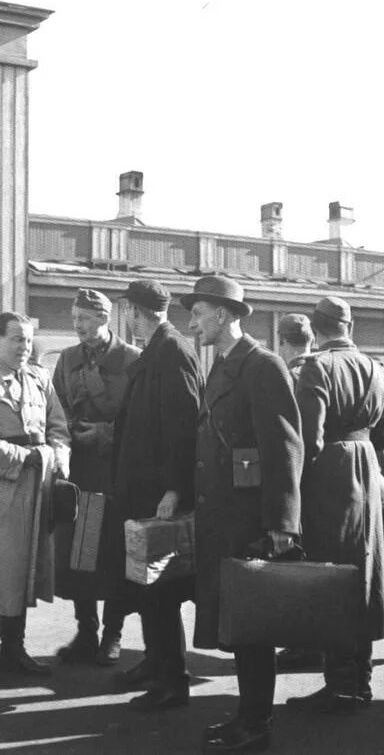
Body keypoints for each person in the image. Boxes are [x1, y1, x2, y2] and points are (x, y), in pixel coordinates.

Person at [182, 276, 303, 754]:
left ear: (225, 316)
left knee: (253, 627)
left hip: (250, 521)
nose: (191, 322)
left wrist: (280, 526)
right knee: (238, 625)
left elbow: (285, 449)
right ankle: (248, 715)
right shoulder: (224, 365)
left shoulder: (262, 365)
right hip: (223, 515)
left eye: (199, 312)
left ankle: (256, 721)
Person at [0, 312, 71, 689]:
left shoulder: (39, 379)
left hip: (36, 489)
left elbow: (58, 427)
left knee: (23, 571)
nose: (24, 348)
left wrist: (58, 459)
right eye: (17, 340)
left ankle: (14, 651)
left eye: (28, 341)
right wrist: (25, 458)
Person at [286, 296, 384, 713]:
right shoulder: (375, 368)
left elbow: (309, 439)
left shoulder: (316, 367)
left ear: (317, 327)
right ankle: (358, 678)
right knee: (363, 570)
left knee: (330, 573)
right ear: (349, 327)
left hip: (330, 474)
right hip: (367, 468)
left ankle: (342, 683)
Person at [112, 280, 203, 709]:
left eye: (125, 311)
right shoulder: (158, 349)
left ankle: (173, 680)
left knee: (163, 589)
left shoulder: (173, 351)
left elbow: (185, 426)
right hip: (142, 490)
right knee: (148, 586)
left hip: (159, 494)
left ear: (135, 311)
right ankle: (155, 660)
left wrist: (174, 488)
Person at [52, 288, 140, 666]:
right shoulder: (68, 359)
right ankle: (86, 631)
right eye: (74, 320)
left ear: (104, 318)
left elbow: (141, 419)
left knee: (117, 553)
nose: (78, 327)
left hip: (118, 471)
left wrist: (107, 435)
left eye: (85, 319)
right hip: (82, 472)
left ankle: (113, 636)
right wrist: (70, 432)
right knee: (83, 552)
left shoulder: (132, 360)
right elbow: (54, 406)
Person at [274, 313, 322, 673]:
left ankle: (304, 644)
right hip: (326, 480)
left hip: (298, 480)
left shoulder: (290, 377)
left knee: (298, 565)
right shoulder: (322, 369)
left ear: (283, 341)